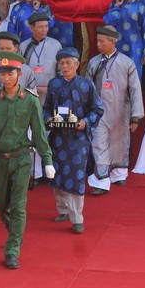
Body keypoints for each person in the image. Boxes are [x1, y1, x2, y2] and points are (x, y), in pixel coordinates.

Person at [0, 50, 55, 269]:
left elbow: (39, 133)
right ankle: (15, 230)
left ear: (19, 73)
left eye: (10, 73)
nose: (6, 77)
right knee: (2, 202)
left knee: (18, 205)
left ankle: (13, 248)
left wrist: (48, 159)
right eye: (2, 74)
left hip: (22, 159)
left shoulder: (30, 101)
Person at [43, 47, 102, 233]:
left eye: (69, 63)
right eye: (62, 63)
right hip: (58, 138)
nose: (65, 66)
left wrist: (85, 122)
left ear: (77, 64)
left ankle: (77, 218)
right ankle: (63, 210)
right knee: (57, 174)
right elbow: (46, 108)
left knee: (76, 176)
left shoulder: (86, 85)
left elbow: (98, 109)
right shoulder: (54, 84)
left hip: (78, 139)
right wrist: (48, 120)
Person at [85, 26, 144, 195]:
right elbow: (87, 88)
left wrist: (136, 117)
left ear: (112, 42)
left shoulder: (126, 63)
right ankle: (102, 180)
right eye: (97, 40)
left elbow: (135, 90)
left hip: (120, 111)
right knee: (99, 143)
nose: (97, 44)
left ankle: (119, 174)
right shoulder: (94, 62)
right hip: (99, 112)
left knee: (120, 143)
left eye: (101, 41)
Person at [103, 0, 145, 79]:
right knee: (117, 77)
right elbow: (109, 22)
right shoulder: (115, 3)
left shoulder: (141, 6)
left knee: (134, 77)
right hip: (117, 45)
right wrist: (116, 6)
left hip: (135, 47)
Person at [20, 11, 62, 103]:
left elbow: (60, 71)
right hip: (29, 94)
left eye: (46, 26)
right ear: (31, 28)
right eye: (40, 27)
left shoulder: (56, 45)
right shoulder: (23, 46)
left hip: (50, 93)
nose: (44, 29)